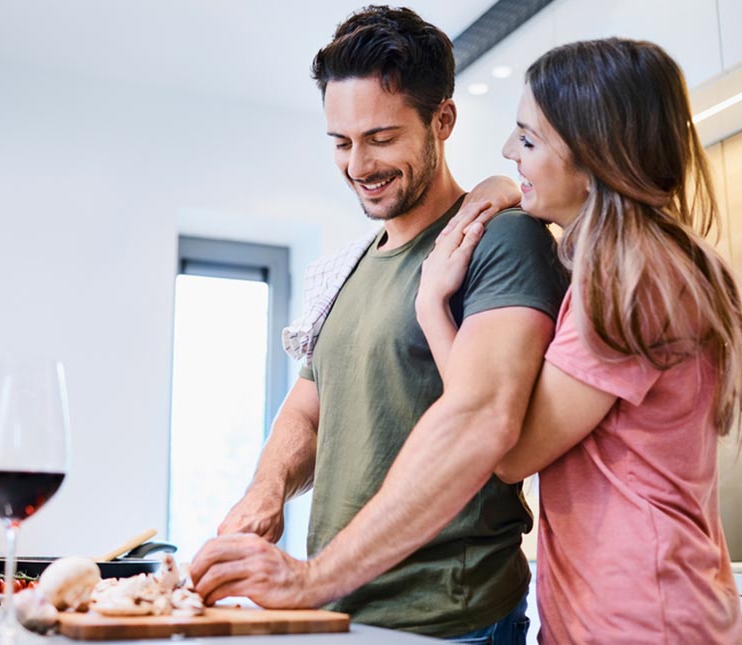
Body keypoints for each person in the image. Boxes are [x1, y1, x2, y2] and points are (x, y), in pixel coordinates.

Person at [189, 6, 568, 641]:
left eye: (381, 138)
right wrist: (267, 490)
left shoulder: (500, 239)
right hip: (343, 612)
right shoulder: (348, 268)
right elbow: (310, 408)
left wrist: (310, 580)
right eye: (341, 143)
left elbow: (485, 421)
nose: (358, 165)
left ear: (442, 120)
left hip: (449, 619)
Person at [417, 38, 742, 643]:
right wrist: (514, 187)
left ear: (593, 157)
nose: (507, 150)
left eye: (527, 139)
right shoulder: (648, 265)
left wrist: (432, 309)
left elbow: (507, 450)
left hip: (640, 621)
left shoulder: (629, 281)